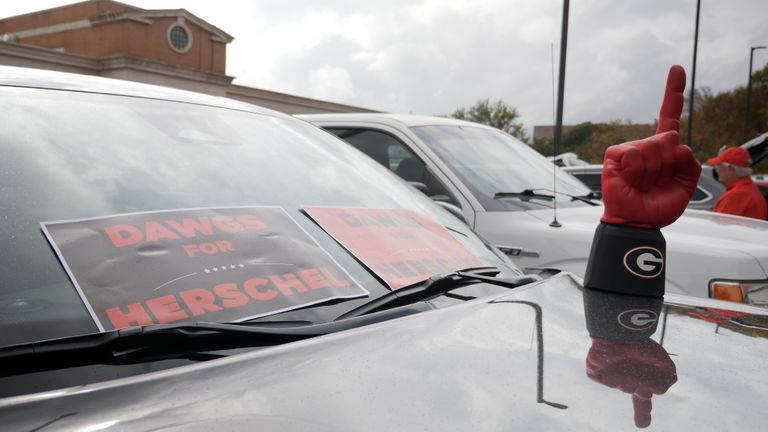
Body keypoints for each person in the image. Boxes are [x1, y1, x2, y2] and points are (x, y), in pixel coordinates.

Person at [707, 147, 768, 220]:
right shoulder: (751, 190)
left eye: (718, 166)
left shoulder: (736, 196)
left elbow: (720, 229)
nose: (717, 171)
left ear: (730, 169)